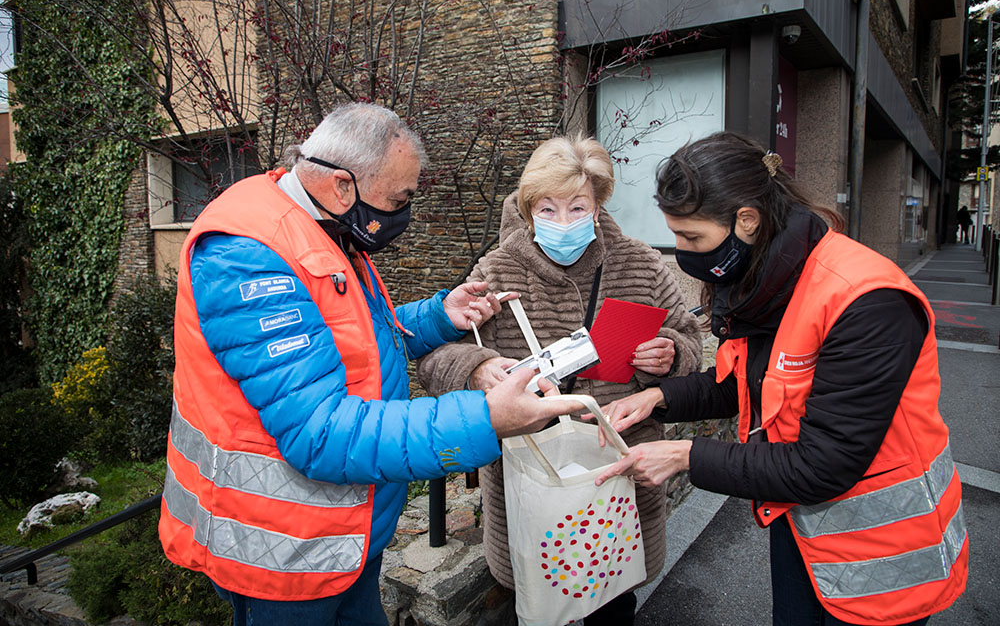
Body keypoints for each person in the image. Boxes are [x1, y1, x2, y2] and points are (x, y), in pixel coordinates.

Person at [158, 103, 586, 626]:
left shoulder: (322, 224)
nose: (404, 213)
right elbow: (320, 432)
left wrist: (436, 316)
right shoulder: (247, 256)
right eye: (400, 198)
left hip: (344, 537)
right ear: (342, 185)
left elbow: (348, 340)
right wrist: (485, 418)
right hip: (284, 559)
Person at [594, 132, 968, 626]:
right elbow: (744, 384)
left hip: (884, 556)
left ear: (746, 220)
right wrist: (659, 398)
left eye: (692, 238)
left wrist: (684, 455)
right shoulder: (766, 277)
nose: (681, 252)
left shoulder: (865, 301)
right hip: (804, 529)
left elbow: (824, 464)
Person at [416, 135, 702, 624]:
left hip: (618, 470)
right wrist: (477, 367)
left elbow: (690, 340)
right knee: (540, 599)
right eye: (547, 209)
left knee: (613, 597)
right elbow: (435, 357)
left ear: (598, 205)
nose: (564, 222)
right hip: (534, 474)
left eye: (577, 206)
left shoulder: (641, 263)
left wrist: (672, 353)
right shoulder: (498, 269)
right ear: (528, 211)